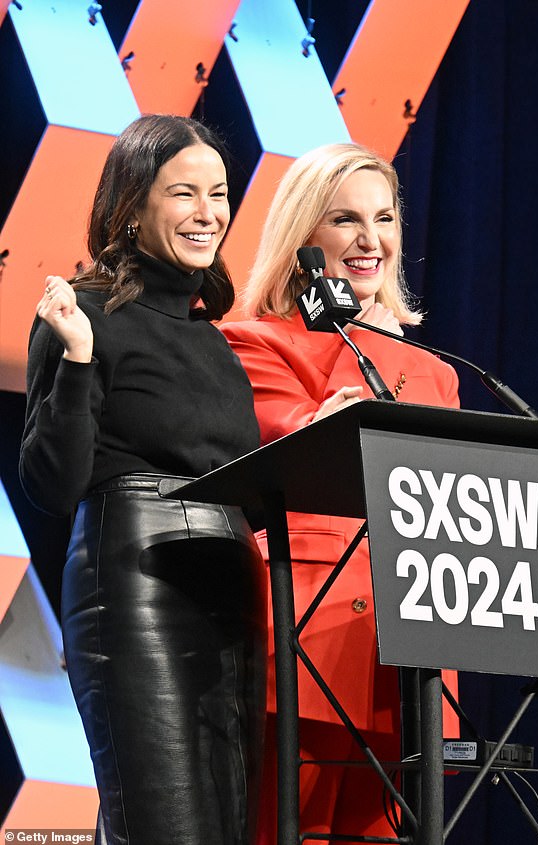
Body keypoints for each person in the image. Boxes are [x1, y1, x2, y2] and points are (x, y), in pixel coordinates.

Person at [19, 114, 267, 845]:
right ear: (131, 206)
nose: (208, 213)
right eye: (183, 193)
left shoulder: (214, 339)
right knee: (166, 828)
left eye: (218, 193)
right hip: (137, 588)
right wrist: (79, 360)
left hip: (230, 587)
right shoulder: (84, 314)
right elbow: (51, 483)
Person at [221, 142, 460, 842]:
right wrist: (367, 341)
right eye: (346, 219)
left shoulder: (435, 373)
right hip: (307, 643)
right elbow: (312, 452)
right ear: (303, 239)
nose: (370, 240)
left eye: (384, 219)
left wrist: (386, 346)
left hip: (409, 652)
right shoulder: (251, 342)